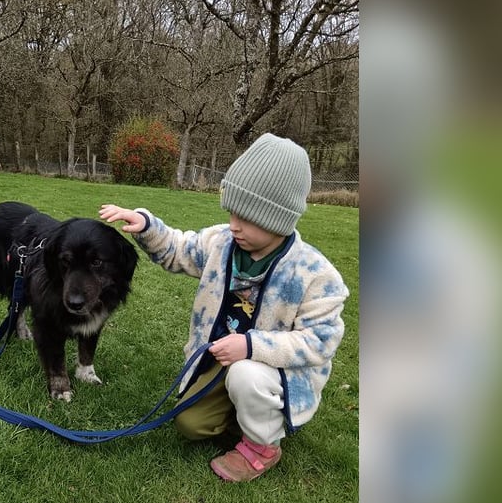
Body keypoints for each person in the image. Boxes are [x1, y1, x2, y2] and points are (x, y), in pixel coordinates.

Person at [99, 133, 349, 482]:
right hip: (219, 359)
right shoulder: (223, 243)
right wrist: (147, 227)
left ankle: (264, 445)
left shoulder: (314, 274)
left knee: (247, 376)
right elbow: (180, 249)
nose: (234, 224)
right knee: (190, 426)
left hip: (271, 372)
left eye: (246, 217)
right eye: (231, 211)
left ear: (277, 219)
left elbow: (322, 341)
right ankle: (247, 413)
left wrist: (251, 346)